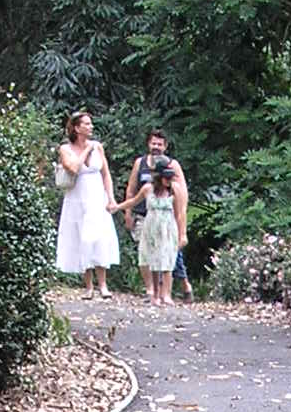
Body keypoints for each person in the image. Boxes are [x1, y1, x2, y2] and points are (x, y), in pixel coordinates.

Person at [54, 111, 119, 295]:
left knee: (100, 237)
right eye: (86, 124)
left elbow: (105, 174)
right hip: (77, 198)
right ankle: (88, 286)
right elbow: (73, 168)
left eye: (91, 124)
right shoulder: (65, 149)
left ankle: (103, 284)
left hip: (97, 196)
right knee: (82, 237)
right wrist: (86, 150)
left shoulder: (98, 147)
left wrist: (111, 197)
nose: (90, 127)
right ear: (76, 128)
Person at [123, 129, 192, 302]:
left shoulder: (172, 165)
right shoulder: (140, 163)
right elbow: (131, 190)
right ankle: (152, 291)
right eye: (153, 143)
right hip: (144, 215)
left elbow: (182, 193)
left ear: (165, 146)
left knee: (170, 254)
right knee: (147, 253)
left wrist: (181, 224)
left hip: (167, 216)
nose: (156, 147)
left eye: (159, 144)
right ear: (148, 144)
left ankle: (179, 287)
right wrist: (127, 214)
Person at [117, 155, 181, 304]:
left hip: (167, 227)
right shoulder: (148, 189)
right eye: (166, 178)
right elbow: (133, 201)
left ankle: (166, 294)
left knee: (167, 259)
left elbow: (178, 213)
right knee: (153, 259)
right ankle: (155, 294)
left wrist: (181, 232)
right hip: (151, 226)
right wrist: (118, 207)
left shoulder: (174, 191)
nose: (168, 181)